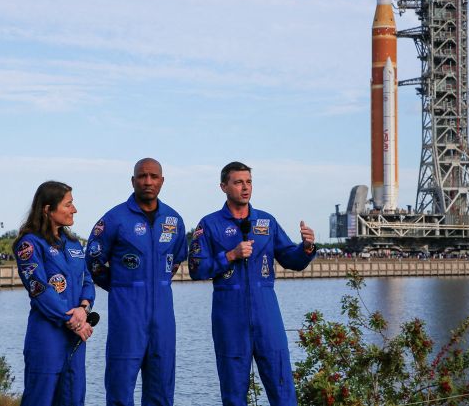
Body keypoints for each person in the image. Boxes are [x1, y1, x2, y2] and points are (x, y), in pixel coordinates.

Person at [189, 161, 317, 406]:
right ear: (223, 186)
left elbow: (292, 259)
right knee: (234, 392)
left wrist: (307, 247)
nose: (245, 188)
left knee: (282, 385)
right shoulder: (209, 224)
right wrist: (230, 256)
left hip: (266, 311)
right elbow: (196, 269)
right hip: (229, 315)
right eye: (238, 182)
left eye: (248, 182)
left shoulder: (266, 222)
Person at [85, 158, 188, 406]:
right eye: (142, 176)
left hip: (163, 316)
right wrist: (120, 286)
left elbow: (174, 263)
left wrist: (155, 283)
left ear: (162, 181)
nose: (148, 181)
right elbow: (93, 261)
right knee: (121, 387)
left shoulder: (173, 220)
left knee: (162, 388)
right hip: (127, 314)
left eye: (154, 176)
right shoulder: (114, 219)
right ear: (133, 181)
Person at [14, 181, 95, 406]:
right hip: (47, 337)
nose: (74, 210)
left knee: (73, 397)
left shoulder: (73, 243)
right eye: (68, 204)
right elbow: (38, 288)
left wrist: (84, 308)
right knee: (40, 399)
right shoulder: (29, 244)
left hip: (75, 339)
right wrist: (72, 319)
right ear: (48, 209)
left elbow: (87, 280)